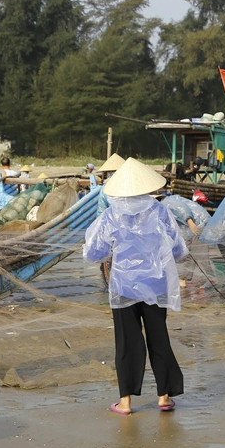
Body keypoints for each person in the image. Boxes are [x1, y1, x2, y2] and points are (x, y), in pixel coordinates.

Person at [83, 157, 186, 415]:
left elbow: (93, 253)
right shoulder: (160, 210)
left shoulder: (110, 215)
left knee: (127, 342)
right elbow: (178, 249)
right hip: (156, 283)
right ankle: (164, 396)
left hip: (124, 285)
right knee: (158, 337)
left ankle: (126, 402)